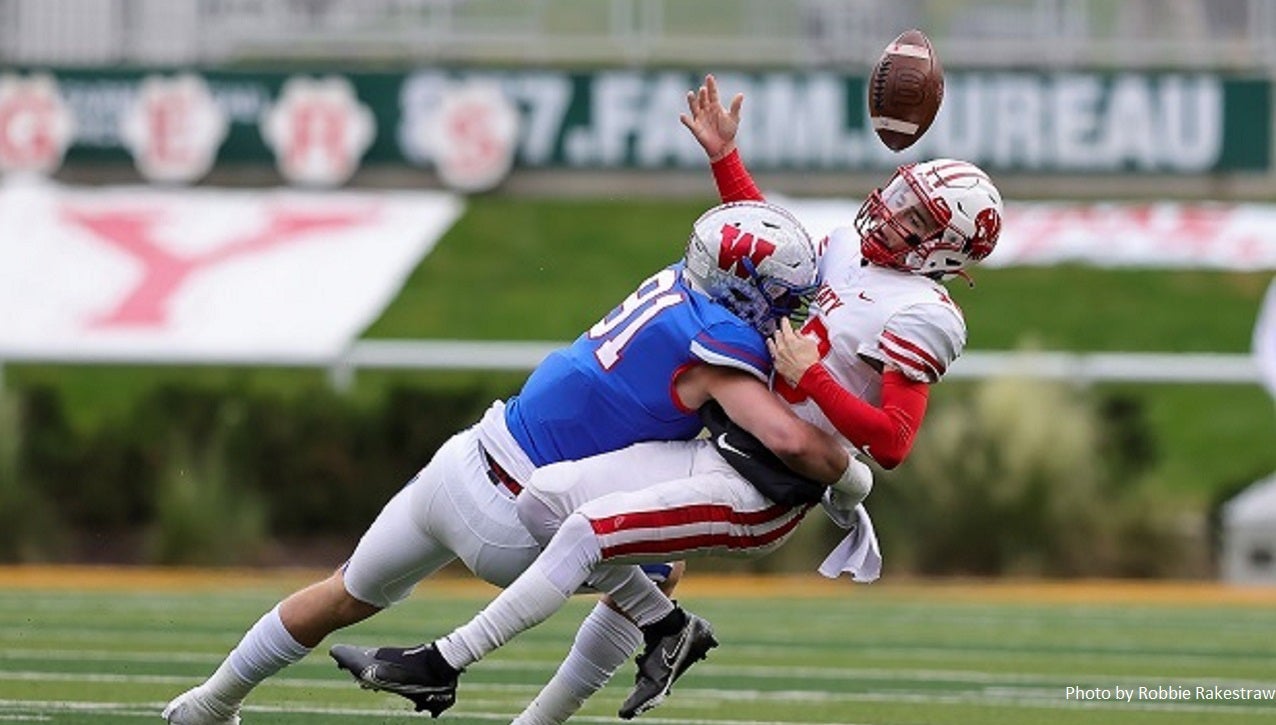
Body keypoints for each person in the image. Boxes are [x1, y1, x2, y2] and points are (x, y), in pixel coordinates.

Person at [329, 73, 1004, 720]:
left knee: (588, 531)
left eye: (916, 217)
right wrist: (726, 161)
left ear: (945, 249)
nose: (890, 212)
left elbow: (892, 442)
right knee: (544, 498)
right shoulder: (854, 247)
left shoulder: (924, 313)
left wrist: (814, 377)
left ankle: (442, 662)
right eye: (901, 195)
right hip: (724, 441)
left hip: (766, 484)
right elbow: (772, 249)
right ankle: (670, 628)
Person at [162, 198, 861, 725]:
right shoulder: (719, 347)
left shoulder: (675, 284)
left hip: (464, 458)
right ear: (746, 289)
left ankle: (210, 701)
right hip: (512, 520)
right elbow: (793, 442)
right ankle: (633, 647)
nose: (785, 310)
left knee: (343, 591)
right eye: (778, 296)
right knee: (662, 562)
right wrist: (851, 474)